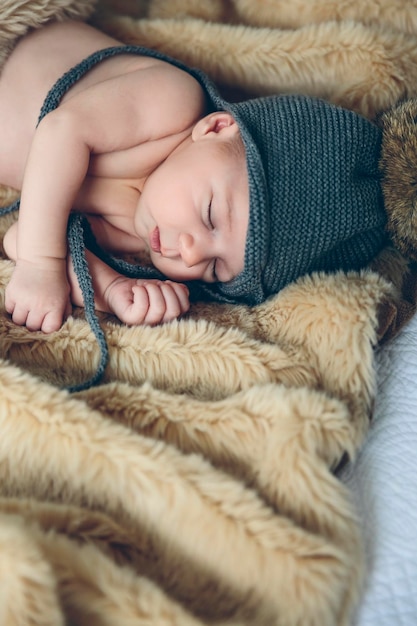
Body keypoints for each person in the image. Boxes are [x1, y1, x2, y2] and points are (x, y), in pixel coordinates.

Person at [0, 19, 388, 336]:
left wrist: (113, 288)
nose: (190, 252)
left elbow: (24, 234)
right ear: (216, 128)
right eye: (209, 214)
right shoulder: (172, 102)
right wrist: (41, 263)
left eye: (215, 269)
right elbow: (61, 131)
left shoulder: (146, 230)